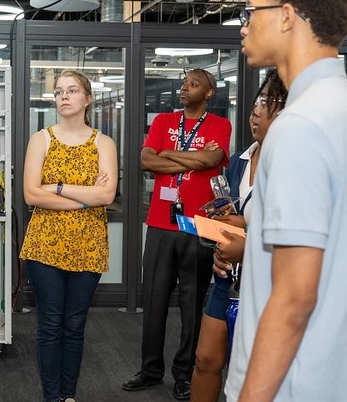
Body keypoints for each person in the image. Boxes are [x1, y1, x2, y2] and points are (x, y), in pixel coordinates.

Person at [224, 0, 347, 401]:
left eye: (250, 12)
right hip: (340, 375)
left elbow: (295, 299)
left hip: (295, 384)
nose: (243, 26)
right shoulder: (344, 105)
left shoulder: (299, 125)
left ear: (285, 15)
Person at [123, 68, 232, 401]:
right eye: (184, 83)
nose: (185, 88)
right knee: (153, 301)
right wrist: (191, 160)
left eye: (194, 84)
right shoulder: (163, 122)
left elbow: (212, 158)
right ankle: (150, 370)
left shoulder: (220, 126)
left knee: (192, 304)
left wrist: (167, 154)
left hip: (199, 227)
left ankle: (185, 375)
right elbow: (145, 160)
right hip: (160, 224)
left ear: (209, 92)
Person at [20, 70, 118, 402]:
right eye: (59, 91)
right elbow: (32, 195)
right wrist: (84, 197)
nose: (63, 96)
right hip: (44, 246)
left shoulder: (104, 143)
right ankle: (52, 398)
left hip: (88, 246)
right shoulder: (41, 139)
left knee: (74, 326)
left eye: (72, 90)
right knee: (50, 326)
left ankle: (69, 396)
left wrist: (58, 187)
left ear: (87, 98)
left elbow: (106, 197)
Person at [190, 69, 287, 402]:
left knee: (251, 370)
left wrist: (243, 227)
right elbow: (234, 212)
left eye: (265, 106)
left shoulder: (291, 165)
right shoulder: (240, 161)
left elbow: (283, 228)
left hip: (268, 282)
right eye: (254, 106)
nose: (255, 114)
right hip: (227, 277)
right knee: (206, 359)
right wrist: (223, 230)